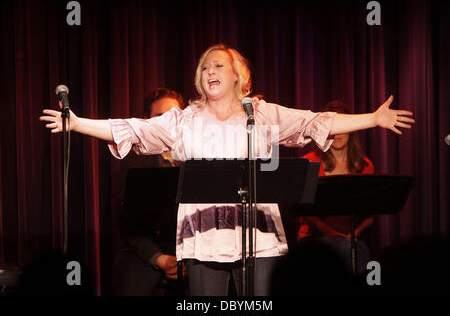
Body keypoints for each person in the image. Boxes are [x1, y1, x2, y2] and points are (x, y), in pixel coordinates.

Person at [40, 44, 415, 295]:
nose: (209, 70)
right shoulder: (183, 120)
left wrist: (374, 119)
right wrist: (77, 122)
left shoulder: (263, 114)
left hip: (262, 241)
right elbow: (131, 129)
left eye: (219, 65)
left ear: (239, 76)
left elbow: (318, 122)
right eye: (204, 66)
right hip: (205, 242)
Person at [112, 88, 185, 296]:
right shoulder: (134, 163)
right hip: (149, 249)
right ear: (147, 121)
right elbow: (126, 222)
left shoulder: (198, 157)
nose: (167, 122)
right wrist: (158, 258)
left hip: (194, 252)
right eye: (160, 117)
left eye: (173, 116)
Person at [298, 100, 375, 274]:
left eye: (342, 127)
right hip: (315, 238)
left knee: (359, 252)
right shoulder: (309, 162)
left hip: (353, 240)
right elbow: (306, 214)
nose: (339, 134)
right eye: (333, 128)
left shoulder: (365, 165)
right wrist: (335, 235)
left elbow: (371, 213)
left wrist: (353, 235)